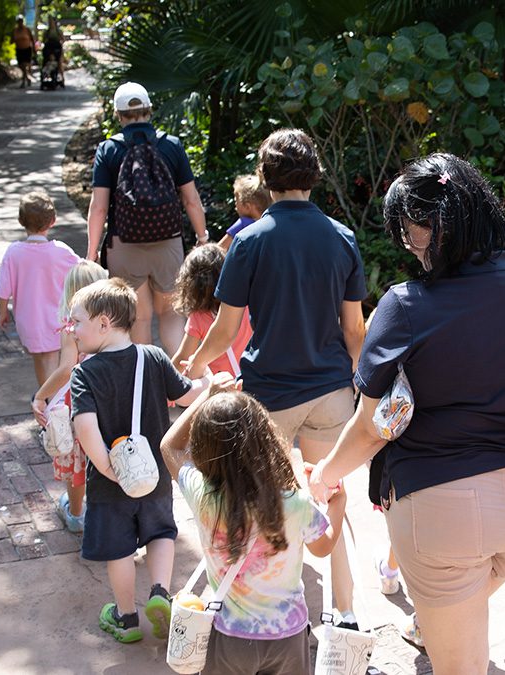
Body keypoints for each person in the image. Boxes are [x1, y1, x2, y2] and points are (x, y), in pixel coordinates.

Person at [308, 153, 505, 675]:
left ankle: (436, 623)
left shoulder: (405, 306)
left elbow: (372, 428)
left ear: (433, 228)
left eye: (410, 232)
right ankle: (433, 621)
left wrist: (325, 475)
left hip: (445, 511)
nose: (409, 245)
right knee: (459, 615)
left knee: (459, 664)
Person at [183, 128, 367, 628]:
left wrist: (191, 368)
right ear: (315, 175)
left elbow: (224, 332)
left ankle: (273, 605)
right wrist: (362, 385)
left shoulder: (251, 241)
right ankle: (345, 611)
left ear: (266, 177)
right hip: (332, 389)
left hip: (271, 398)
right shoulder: (342, 238)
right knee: (329, 498)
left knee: (262, 500)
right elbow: (355, 329)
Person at [159, 374, 347, 674]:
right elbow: (324, 546)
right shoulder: (294, 503)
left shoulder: (203, 496)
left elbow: (169, 447)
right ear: (265, 438)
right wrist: (339, 502)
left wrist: (207, 393)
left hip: (229, 637)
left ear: (205, 450)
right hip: (288, 636)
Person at [68, 278, 210, 643]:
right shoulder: (153, 357)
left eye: (77, 321)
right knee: (161, 532)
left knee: (119, 549)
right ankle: (161, 592)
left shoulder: (85, 373)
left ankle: (126, 617)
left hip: (111, 484)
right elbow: (184, 397)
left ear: (103, 322)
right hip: (155, 474)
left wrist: (109, 469)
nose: (72, 329)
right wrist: (210, 384)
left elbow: (85, 428)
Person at [86, 82, 210, 354]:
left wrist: (92, 252)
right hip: (168, 244)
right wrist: (202, 238)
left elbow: (99, 208)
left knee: (139, 317)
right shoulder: (171, 146)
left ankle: (147, 383)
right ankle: (181, 382)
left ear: (118, 116)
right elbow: (190, 199)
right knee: (171, 314)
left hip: (125, 246)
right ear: (150, 111)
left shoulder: (108, 150)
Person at [31, 260, 109, 532]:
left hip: (81, 398)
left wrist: (41, 396)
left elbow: (66, 368)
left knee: (77, 456)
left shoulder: (71, 327)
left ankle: (76, 514)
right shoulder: (113, 323)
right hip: (110, 397)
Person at [0, 190, 80, 386]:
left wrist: (3, 312)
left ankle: (46, 398)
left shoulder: (14, 252)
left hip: (28, 320)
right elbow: (81, 268)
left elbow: (3, 289)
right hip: (55, 318)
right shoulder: (59, 251)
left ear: (21, 220)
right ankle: (52, 403)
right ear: (52, 220)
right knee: (52, 358)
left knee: (40, 358)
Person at [171, 245, 252, 377]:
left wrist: (163, 383)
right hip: (251, 375)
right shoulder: (244, 304)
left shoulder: (198, 317)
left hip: (221, 384)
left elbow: (183, 357)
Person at [218, 173, 273, 250]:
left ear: (247, 207)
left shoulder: (243, 224)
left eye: (236, 201)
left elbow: (220, 247)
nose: (235, 206)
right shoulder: (272, 223)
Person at [11, 15, 35, 88]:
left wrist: (34, 48)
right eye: (19, 22)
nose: (20, 23)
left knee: (25, 65)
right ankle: (27, 78)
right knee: (21, 65)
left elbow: (31, 39)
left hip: (27, 49)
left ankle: (24, 81)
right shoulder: (15, 31)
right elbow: (11, 40)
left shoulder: (27, 30)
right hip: (19, 49)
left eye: (21, 21)